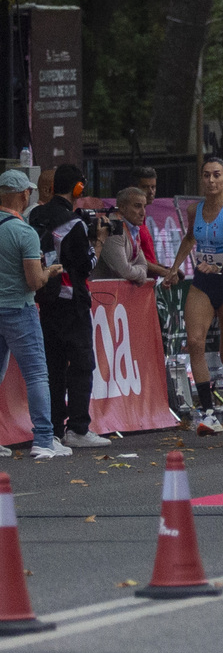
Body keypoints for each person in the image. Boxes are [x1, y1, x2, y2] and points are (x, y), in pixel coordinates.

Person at [165, 156, 223, 436]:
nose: (211, 180)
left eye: (217, 175)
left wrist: (219, 267)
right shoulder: (194, 210)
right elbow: (190, 238)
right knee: (195, 343)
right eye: (206, 175)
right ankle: (209, 412)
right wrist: (175, 268)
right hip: (202, 285)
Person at [28, 163, 111, 449]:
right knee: (82, 364)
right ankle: (77, 428)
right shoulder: (73, 224)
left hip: (44, 299)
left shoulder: (34, 215)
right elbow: (86, 265)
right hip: (72, 302)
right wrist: (98, 242)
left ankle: (51, 429)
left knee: (52, 366)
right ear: (78, 188)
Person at [0, 170, 70, 459]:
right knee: (37, 375)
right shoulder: (24, 232)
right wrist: (50, 272)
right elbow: (34, 280)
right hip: (20, 309)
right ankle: (43, 438)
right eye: (28, 192)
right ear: (23, 194)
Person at [92, 187, 150, 284]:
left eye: (144, 207)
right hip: (101, 293)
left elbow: (143, 264)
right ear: (122, 207)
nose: (143, 213)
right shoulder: (113, 228)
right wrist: (142, 275)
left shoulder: (132, 227)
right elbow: (123, 271)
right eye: (137, 206)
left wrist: (134, 271)